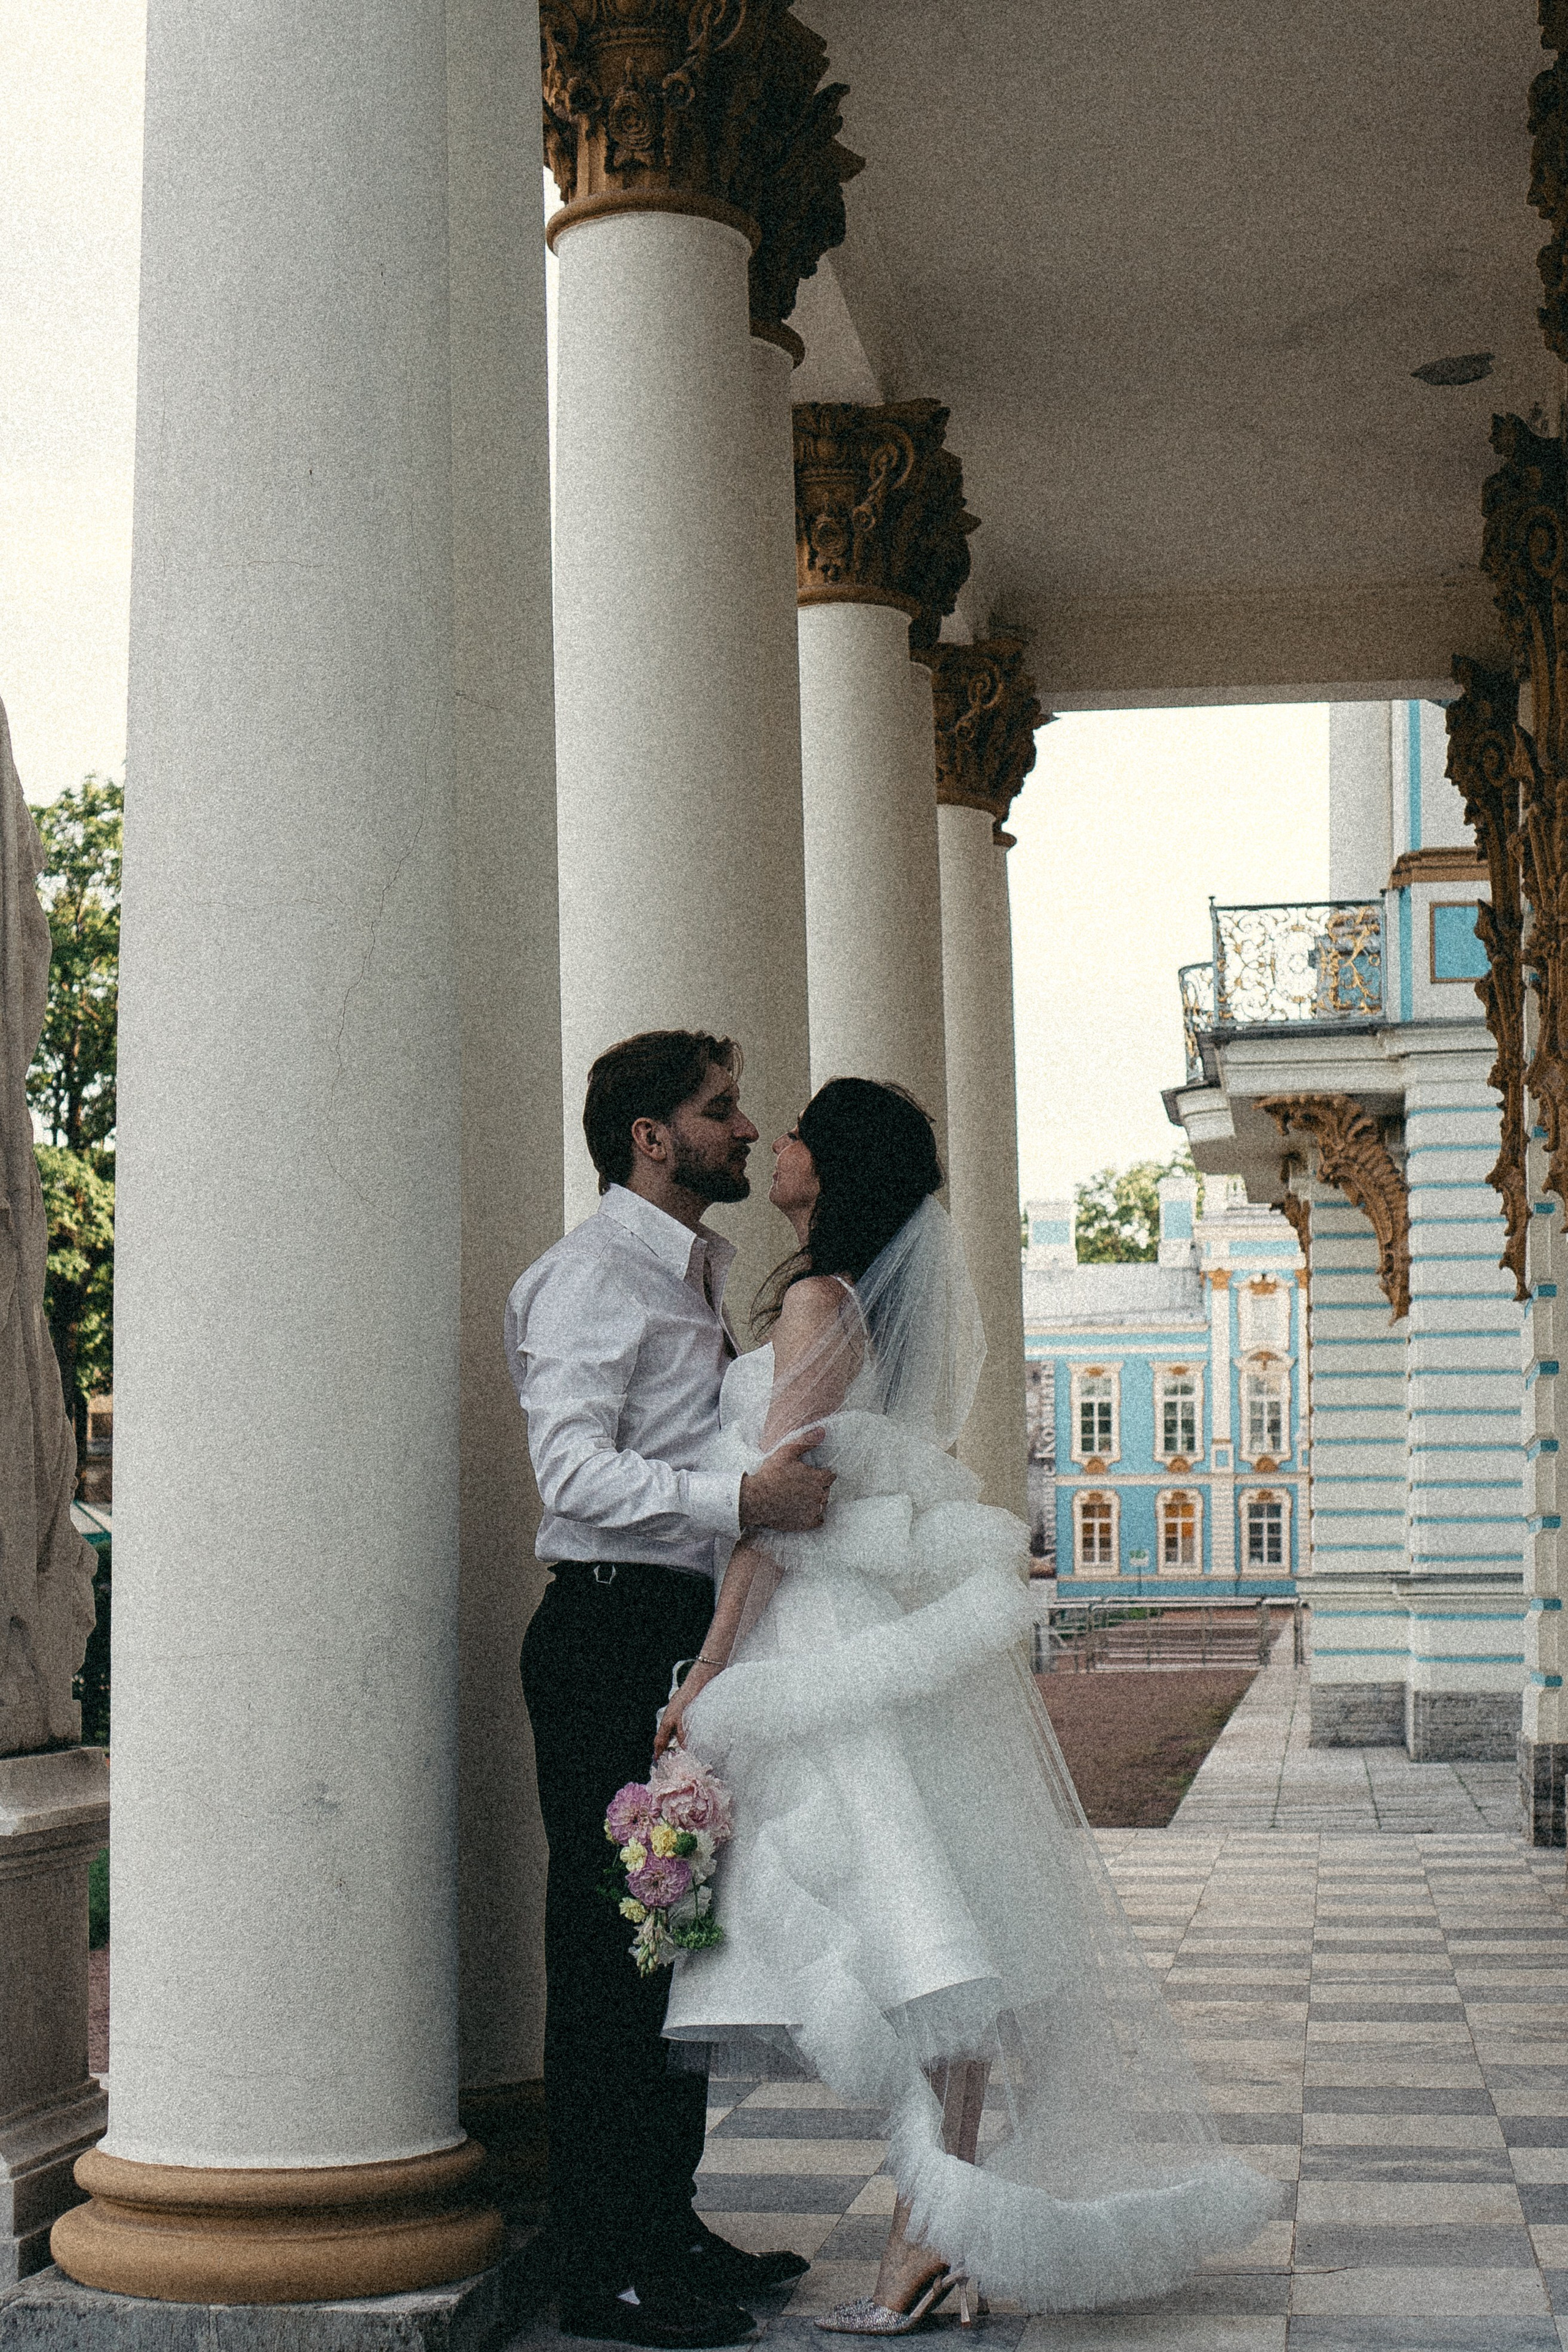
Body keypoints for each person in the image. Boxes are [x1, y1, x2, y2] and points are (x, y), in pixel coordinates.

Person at [657, 1078, 1280, 2331]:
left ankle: (925, 2232)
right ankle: (930, 2231)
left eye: (794, 1136)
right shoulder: (841, 1303)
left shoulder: (822, 1301)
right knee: (932, 1931)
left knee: (917, 1931)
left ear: (827, 1169)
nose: (773, 1146)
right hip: (869, 1635)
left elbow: (783, 1503)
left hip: (821, 1641)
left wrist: (714, 1668)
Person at [506, 1031, 831, 2349]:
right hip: (602, 1633)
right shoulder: (591, 1279)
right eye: (719, 1111)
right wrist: (735, 1498)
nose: (746, 1130)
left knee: (671, 1943)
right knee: (607, 1959)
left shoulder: (694, 1267)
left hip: (674, 1633)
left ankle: (663, 2221)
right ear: (649, 1136)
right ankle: (602, 2264)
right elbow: (570, 1475)